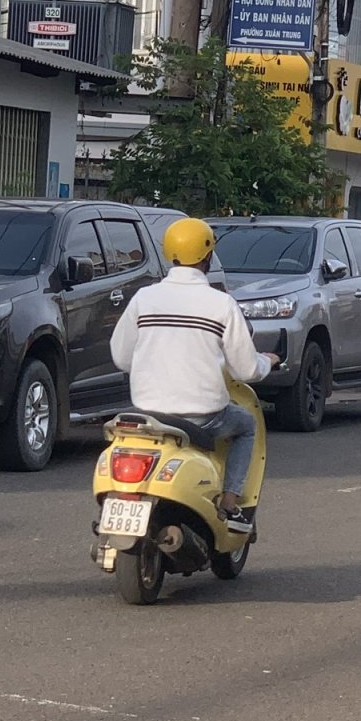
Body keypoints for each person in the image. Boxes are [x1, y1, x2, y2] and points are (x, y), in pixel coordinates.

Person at [109, 217, 272, 533]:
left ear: (170, 253)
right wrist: (267, 361)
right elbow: (245, 369)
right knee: (246, 425)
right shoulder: (220, 304)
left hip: (147, 416)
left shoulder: (144, 298)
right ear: (208, 256)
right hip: (203, 419)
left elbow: (120, 357)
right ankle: (229, 503)